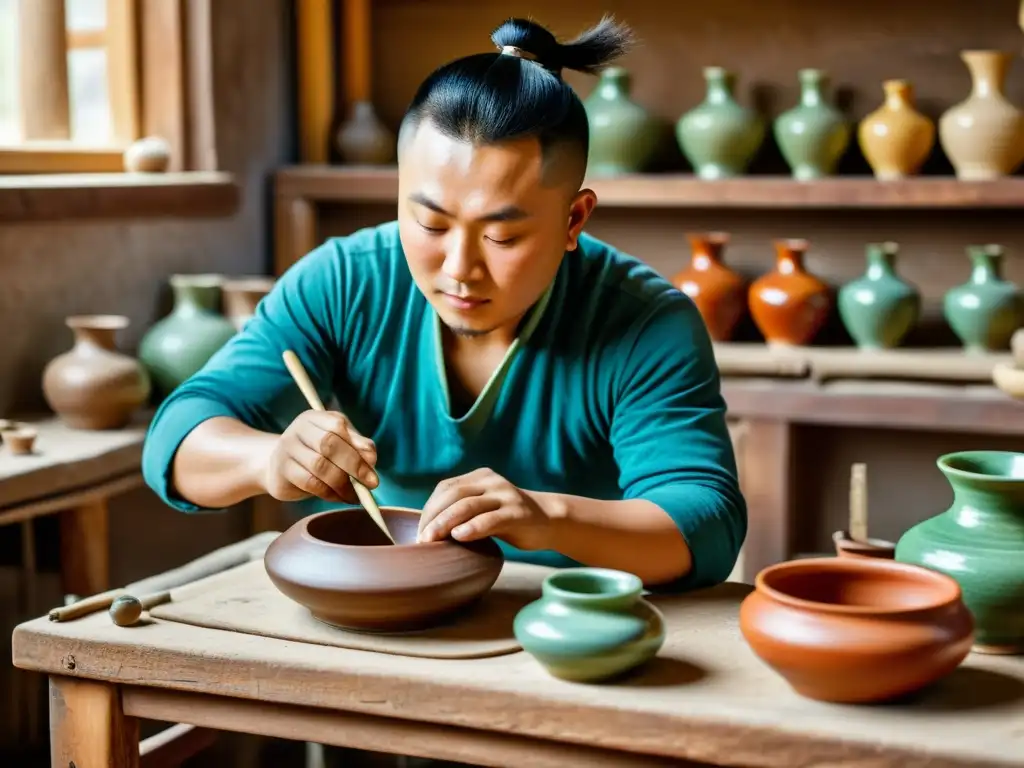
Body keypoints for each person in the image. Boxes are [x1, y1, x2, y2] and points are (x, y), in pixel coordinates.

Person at [141, 15, 746, 594]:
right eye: (429, 224)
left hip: (561, 623)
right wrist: (268, 458)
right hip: (378, 607)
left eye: (501, 236)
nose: (459, 268)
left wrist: (548, 517)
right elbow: (176, 437)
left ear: (573, 218)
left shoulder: (644, 322)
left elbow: (706, 525)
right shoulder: (346, 281)